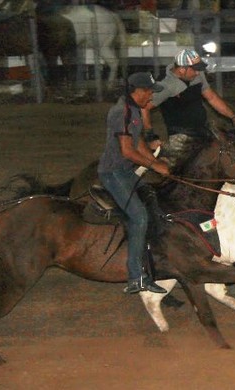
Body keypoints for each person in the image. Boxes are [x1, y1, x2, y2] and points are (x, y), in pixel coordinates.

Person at [97, 71, 170, 295]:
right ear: (137, 91)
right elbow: (127, 151)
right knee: (139, 217)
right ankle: (135, 277)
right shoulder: (122, 112)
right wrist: (155, 167)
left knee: (153, 202)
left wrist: (154, 160)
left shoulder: (135, 109)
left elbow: (138, 143)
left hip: (125, 171)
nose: (151, 96)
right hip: (113, 173)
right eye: (148, 91)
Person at [142, 49, 235, 165]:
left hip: (203, 128)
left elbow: (211, 98)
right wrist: (150, 136)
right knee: (175, 169)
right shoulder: (166, 85)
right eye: (195, 70)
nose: (198, 73)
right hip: (180, 134)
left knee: (228, 152)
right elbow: (144, 107)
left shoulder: (196, 74)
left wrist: (234, 117)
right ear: (182, 69)